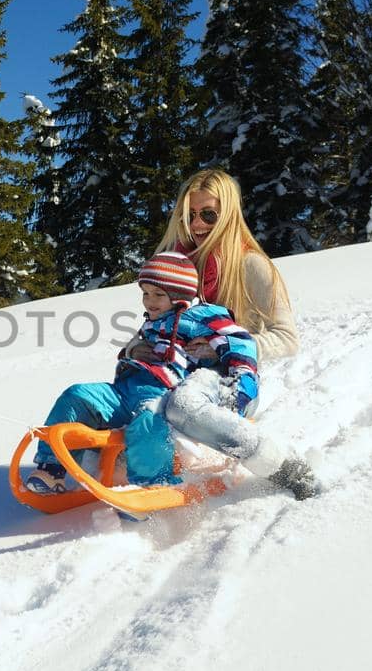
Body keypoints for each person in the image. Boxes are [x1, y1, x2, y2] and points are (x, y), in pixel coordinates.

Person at [25, 251, 316, 500]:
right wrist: (130, 353)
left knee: (148, 425)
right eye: (145, 294)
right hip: (124, 390)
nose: (149, 302)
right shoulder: (151, 322)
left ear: (178, 296)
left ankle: (152, 483)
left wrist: (240, 378)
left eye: (158, 295)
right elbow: (129, 352)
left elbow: (240, 341)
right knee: (76, 395)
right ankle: (52, 468)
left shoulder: (200, 316)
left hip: (161, 393)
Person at [155, 168, 299, 362]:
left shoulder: (251, 265)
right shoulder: (176, 267)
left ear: (228, 216)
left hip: (229, 378)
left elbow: (287, 340)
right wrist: (136, 348)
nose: (196, 224)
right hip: (173, 371)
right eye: (190, 215)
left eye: (208, 215)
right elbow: (154, 325)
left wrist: (225, 346)